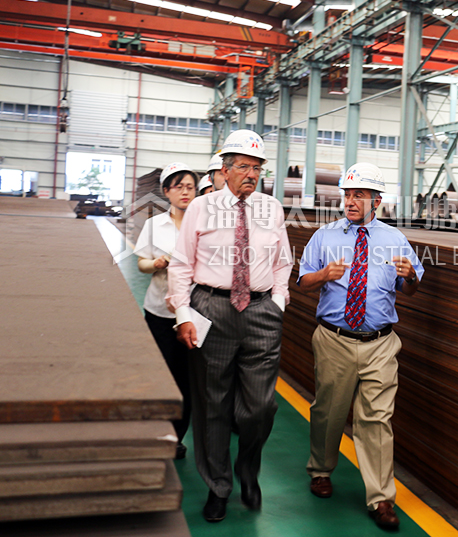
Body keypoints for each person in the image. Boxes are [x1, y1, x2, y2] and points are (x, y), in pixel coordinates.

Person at [167, 130, 292, 523]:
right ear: (225, 169)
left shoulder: (271, 209)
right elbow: (181, 264)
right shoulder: (201, 208)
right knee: (213, 405)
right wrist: (183, 314)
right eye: (243, 166)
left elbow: (283, 262)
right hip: (212, 308)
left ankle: (247, 471)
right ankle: (218, 487)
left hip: (261, 312)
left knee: (260, 407)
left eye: (257, 168)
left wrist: (278, 301)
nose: (251, 174)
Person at [298, 162, 423, 530]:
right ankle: (321, 470)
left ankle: (381, 498)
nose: (350, 201)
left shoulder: (395, 239)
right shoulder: (324, 237)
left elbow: (410, 288)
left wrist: (411, 278)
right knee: (329, 411)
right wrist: (324, 275)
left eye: (359, 195)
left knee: (377, 420)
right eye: (347, 194)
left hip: (380, 344)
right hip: (334, 341)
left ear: (376, 201)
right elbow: (303, 281)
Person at [133, 162, 197, 460]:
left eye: (190, 187)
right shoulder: (154, 225)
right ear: (166, 191)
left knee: (186, 379)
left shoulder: (205, 226)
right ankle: (155, 432)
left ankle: (177, 437)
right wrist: (157, 263)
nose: (185, 192)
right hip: (159, 312)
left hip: (193, 315)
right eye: (179, 187)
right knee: (162, 374)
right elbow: (141, 264)